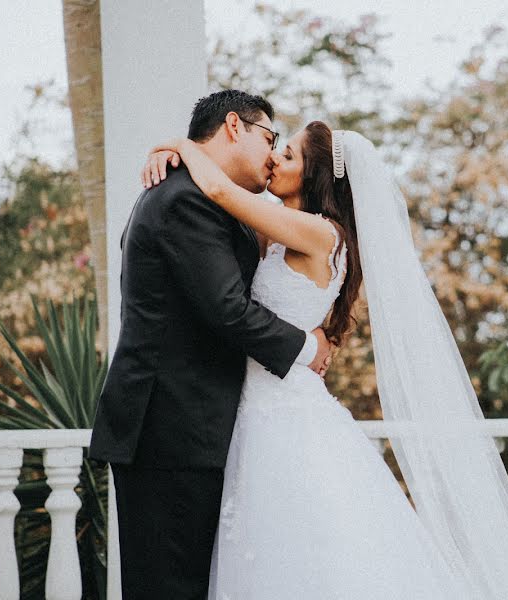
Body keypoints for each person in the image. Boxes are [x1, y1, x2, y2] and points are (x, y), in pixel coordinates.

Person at [143, 121, 508, 599]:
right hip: (255, 408)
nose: (276, 158)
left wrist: (179, 145)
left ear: (318, 179)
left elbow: (217, 187)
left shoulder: (321, 233)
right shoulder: (279, 233)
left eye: (291, 156)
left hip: (283, 417)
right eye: (278, 149)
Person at [88, 90, 333, 599]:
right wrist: (308, 350)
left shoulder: (204, 199)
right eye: (270, 138)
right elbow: (227, 309)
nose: (272, 155)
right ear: (233, 127)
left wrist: (179, 148)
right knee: (170, 586)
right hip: (170, 430)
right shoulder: (186, 201)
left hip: (195, 428)